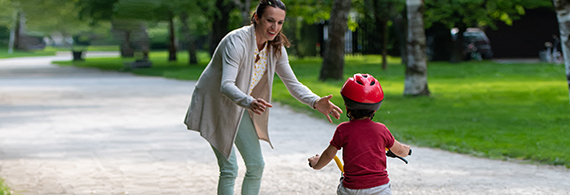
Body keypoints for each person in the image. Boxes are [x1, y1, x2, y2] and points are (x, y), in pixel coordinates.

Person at [183, 0, 342, 194]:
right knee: (229, 168)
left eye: (280, 22)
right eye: (269, 20)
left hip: (239, 105)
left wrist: (315, 101)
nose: (275, 27)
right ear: (256, 18)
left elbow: (292, 83)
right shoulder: (236, 41)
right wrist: (250, 101)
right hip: (214, 103)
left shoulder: (275, 48)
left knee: (256, 164)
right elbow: (226, 85)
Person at [308, 73, 411, 195]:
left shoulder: (343, 130)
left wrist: (316, 164)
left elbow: (329, 155)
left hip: (351, 189)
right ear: (375, 109)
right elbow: (400, 151)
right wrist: (406, 150)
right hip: (379, 189)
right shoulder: (381, 130)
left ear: (347, 108)